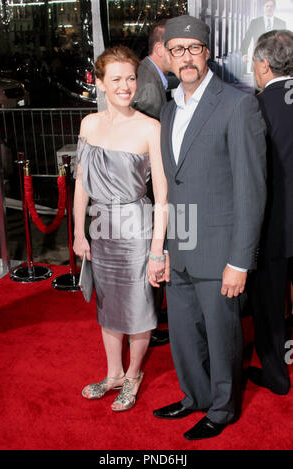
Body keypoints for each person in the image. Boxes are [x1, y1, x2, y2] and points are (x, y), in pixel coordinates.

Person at [152, 15, 267, 440]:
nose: (186, 57)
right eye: (177, 49)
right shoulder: (168, 108)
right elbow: (171, 185)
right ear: (167, 55)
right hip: (181, 245)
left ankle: (223, 408)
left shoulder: (238, 104)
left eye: (194, 49)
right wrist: (162, 248)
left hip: (220, 251)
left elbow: (251, 190)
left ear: (207, 53)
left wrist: (240, 260)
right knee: (182, 335)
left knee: (222, 337)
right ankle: (195, 396)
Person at [73, 45, 168, 412]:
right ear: (100, 84)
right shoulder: (89, 125)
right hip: (100, 228)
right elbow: (82, 182)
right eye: (116, 79)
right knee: (108, 306)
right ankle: (113, 374)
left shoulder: (149, 127)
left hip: (136, 230)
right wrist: (80, 233)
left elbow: (161, 194)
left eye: (131, 78)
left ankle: (133, 375)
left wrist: (157, 249)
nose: (126, 86)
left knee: (140, 308)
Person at [247, 30, 293, 395]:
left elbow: (253, 173)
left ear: (264, 64)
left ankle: (277, 375)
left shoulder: (258, 107)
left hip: (274, 227)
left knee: (270, 304)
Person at [132, 19, 171, 347]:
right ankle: (149, 319)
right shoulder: (147, 84)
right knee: (153, 250)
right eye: (174, 47)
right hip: (146, 189)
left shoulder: (152, 76)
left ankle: (154, 315)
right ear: (160, 49)